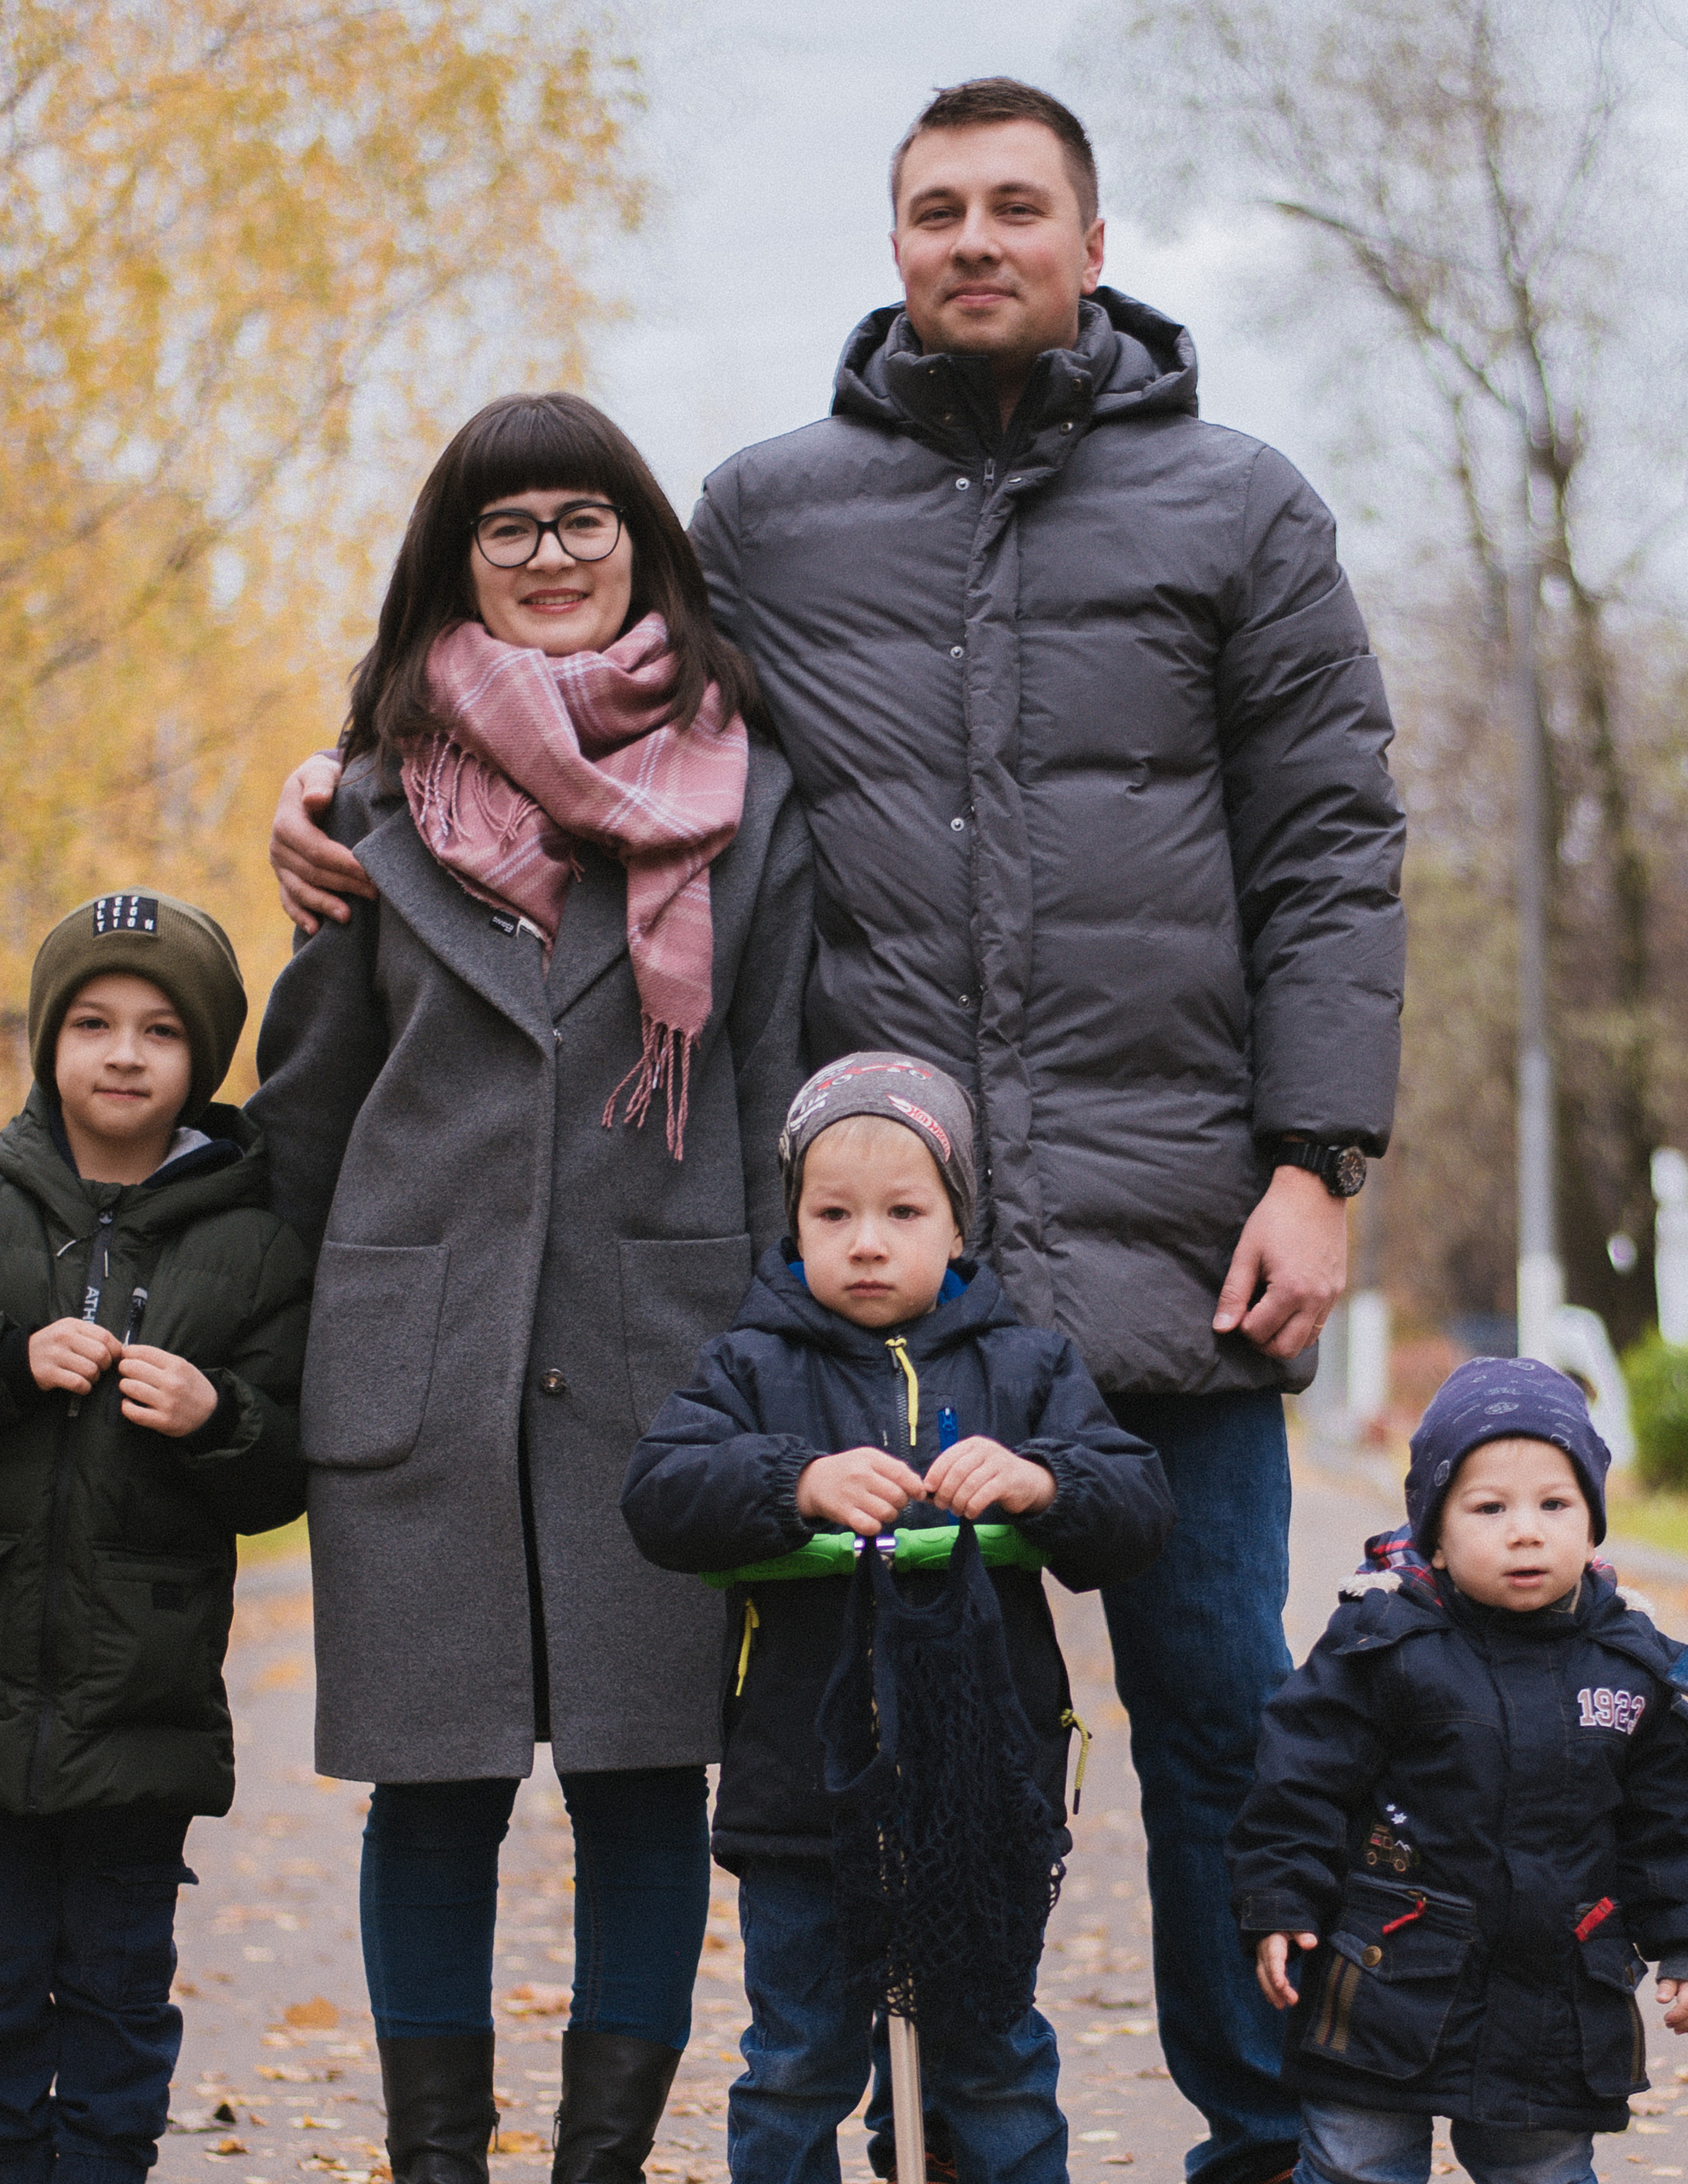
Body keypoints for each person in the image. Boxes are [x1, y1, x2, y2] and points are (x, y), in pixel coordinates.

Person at [266, 78, 1404, 2184]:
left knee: (1223, 1726)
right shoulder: (770, 514)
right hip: (863, 1287)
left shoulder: (1240, 505)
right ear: (893, 244)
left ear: (1086, 232)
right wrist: (337, 788)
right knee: (857, 1771)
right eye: (932, 209)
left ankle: (1279, 2147)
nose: (972, 239)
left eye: (1012, 206)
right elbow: (584, 706)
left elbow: (1330, 847)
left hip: (1176, 1249)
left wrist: (1313, 1157)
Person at [246, 392, 811, 2184]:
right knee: (433, 1791)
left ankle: (597, 2164)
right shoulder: (360, 799)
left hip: (666, 1358)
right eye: (511, 527)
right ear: (457, 561)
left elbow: (786, 1087)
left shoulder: (745, 794)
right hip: (416, 1363)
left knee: (645, 1783)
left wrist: (790, 1362)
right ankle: (435, 2164)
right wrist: (252, 1356)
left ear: (641, 544)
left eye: (584, 520)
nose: (551, 555)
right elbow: (304, 1112)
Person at [0, 892, 311, 2184]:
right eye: (92, 1022)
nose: (124, 1052)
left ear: (202, 1058)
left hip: (138, 1703)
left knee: (120, 1989)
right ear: (50, 1043)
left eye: (158, 1029)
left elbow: (288, 1466)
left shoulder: (254, 1247)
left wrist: (218, 1412)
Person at [621, 1051, 1177, 2184]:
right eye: (834, 1213)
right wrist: (796, 1484)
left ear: (957, 1225)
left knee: (994, 2062)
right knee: (797, 2063)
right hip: (805, 1799)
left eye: (901, 1211)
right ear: (797, 1222)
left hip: (982, 1799)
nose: (866, 1239)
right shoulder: (749, 1365)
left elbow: (1137, 1507)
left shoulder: (1030, 1366)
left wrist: (1042, 1482)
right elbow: (660, 1496)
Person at [1229, 1358, 1688, 2184]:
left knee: (1540, 2170)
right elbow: (1299, 1781)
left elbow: (1673, 1821)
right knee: (1356, 2164)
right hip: (1385, 1980)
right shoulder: (1382, 1643)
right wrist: (1280, 1899)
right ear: (1434, 1527)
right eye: (1488, 1507)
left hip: (1553, 2001)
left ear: (1593, 1519)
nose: (1525, 1530)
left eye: (1554, 1504)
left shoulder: (1627, 1664)